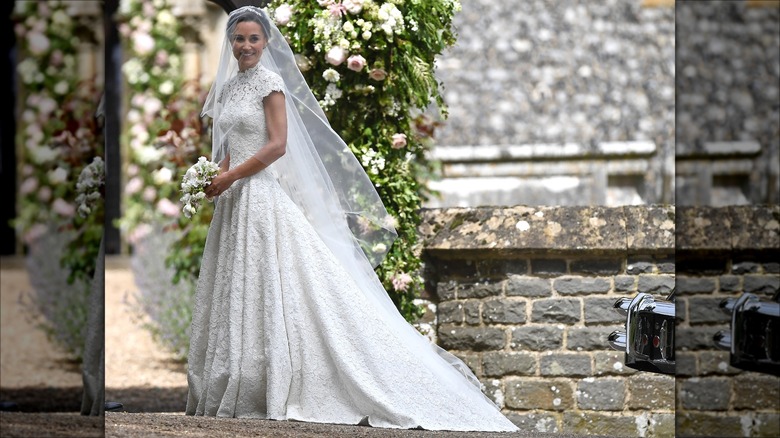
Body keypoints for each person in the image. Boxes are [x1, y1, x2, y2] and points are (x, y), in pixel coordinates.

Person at [185, 6, 518, 432]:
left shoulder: (270, 84)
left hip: (262, 197)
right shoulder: (230, 88)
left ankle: (290, 378)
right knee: (239, 284)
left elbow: (277, 146)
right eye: (239, 39)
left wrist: (231, 175)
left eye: (253, 38)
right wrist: (214, 178)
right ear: (230, 43)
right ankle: (244, 378)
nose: (245, 45)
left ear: (265, 42)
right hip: (235, 200)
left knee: (284, 284)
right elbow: (234, 145)